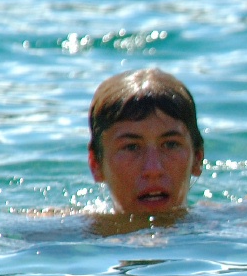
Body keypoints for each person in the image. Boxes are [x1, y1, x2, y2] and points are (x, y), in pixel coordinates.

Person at [87, 68, 204, 216]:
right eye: (131, 147)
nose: (153, 170)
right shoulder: (60, 233)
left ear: (197, 158)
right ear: (96, 164)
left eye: (170, 144)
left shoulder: (230, 223)